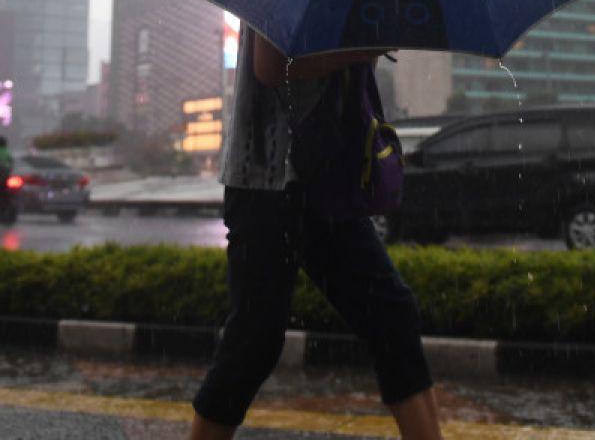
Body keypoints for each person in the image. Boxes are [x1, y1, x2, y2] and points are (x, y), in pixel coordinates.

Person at [189, 25, 442, 440]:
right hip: (265, 182)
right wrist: (363, 47)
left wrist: (371, 45)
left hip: (326, 180)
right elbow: (271, 67)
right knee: (254, 341)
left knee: (391, 315)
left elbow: (343, 81)